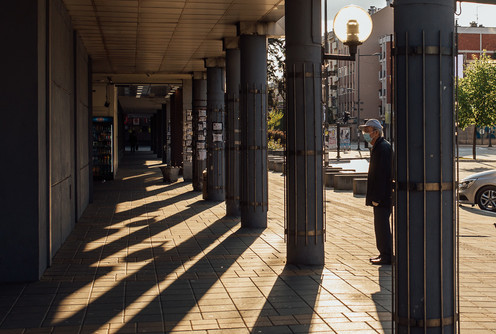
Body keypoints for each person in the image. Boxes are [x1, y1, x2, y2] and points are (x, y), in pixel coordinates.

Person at [359, 119, 392, 265]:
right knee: (380, 226)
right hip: (381, 196)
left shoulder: (383, 148)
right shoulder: (379, 147)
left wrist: (377, 197)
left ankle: (387, 255)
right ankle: (383, 253)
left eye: (368, 131)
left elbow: (382, 175)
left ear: (376, 132)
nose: (365, 134)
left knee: (382, 226)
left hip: (382, 197)